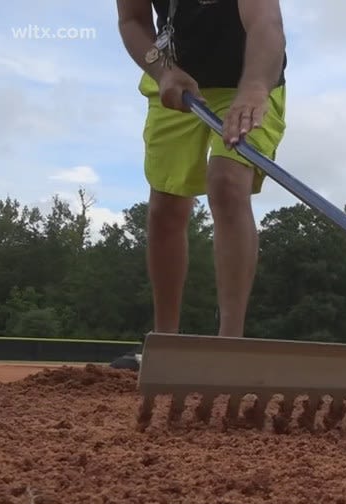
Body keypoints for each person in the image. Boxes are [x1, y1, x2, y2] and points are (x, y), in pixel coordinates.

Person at [115, 0, 288, 338]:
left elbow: (266, 21)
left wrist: (254, 87)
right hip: (176, 79)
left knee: (227, 184)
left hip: (250, 79)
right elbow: (132, 20)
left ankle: (229, 345)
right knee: (165, 207)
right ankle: (166, 341)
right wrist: (162, 71)